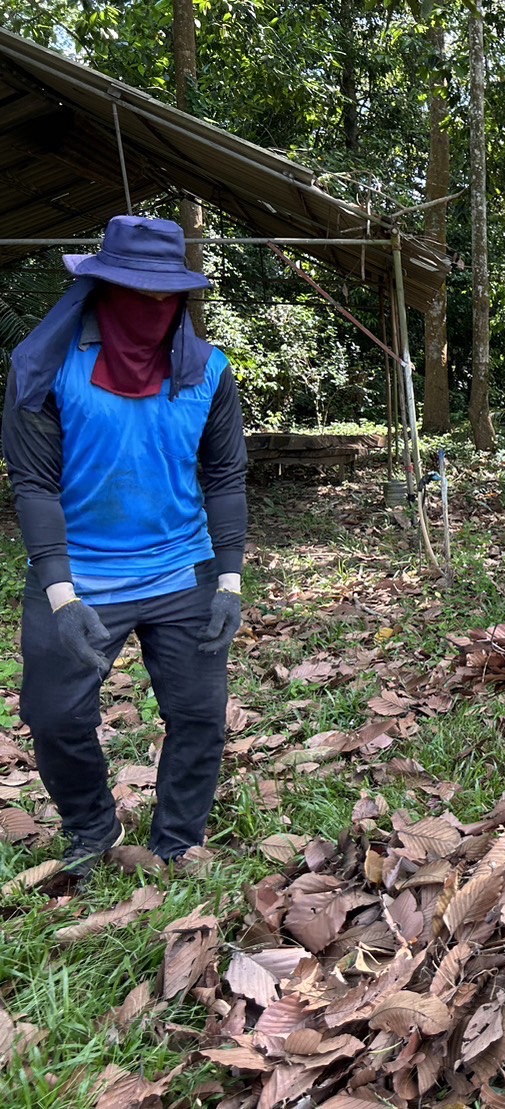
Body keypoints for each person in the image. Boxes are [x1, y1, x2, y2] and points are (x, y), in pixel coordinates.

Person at [2, 214, 247, 881]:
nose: (154, 308)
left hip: (181, 567)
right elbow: (34, 483)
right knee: (53, 715)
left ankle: (177, 837)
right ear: (103, 288)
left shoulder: (208, 373)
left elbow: (224, 474)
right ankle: (91, 824)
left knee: (199, 712)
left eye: (166, 295)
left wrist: (228, 578)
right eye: (136, 292)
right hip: (79, 572)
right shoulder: (47, 368)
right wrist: (60, 591)